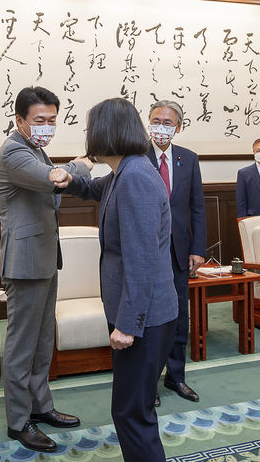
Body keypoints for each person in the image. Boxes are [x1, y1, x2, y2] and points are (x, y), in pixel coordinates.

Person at [51, 98, 178, 462]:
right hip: (144, 315)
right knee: (133, 411)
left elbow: (142, 261)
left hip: (144, 318)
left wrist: (127, 324)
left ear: (107, 132)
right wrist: (70, 180)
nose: (89, 135)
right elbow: (95, 189)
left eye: (91, 129)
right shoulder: (126, 171)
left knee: (131, 414)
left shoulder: (135, 177)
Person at [0, 86, 91, 453]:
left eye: (52, 120)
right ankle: (19, 422)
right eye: (40, 120)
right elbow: (55, 180)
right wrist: (84, 162)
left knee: (41, 343)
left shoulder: (35, 148)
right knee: (22, 345)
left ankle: (41, 405)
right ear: (20, 120)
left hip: (45, 257)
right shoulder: (14, 151)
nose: (47, 126)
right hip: (24, 262)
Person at [145, 100, 205, 406]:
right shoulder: (137, 158)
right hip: (148, 251)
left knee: (180, 316)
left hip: (180, 250)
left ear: (178, 127)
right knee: (151, 318)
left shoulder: (188, 158)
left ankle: (176, 376)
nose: (161, 127)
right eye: (156, 120)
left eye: (167, 122)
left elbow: (197, 207)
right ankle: (148, 380)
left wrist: (198, 249)